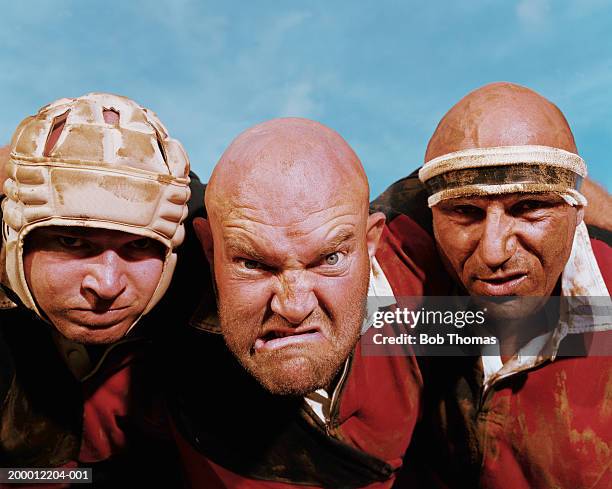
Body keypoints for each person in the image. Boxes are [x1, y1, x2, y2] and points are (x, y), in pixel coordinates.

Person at [168, 117, 445, 488]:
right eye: (253, 264)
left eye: (329, 258)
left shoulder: (428, 301)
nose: (294, 307)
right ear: (209, 248)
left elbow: (538, 341)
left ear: (370, 241)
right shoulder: (156, 322)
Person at [386, 82, 610, 489]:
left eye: (527, 208)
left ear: (578, 212)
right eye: (466, 212)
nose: (493, 251)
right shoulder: (391, 290)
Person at [0, 93, 193, 486]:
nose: (106, 285)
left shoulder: (211, 281)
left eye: (138, 245)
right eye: (72, 242)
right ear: (14, 235)